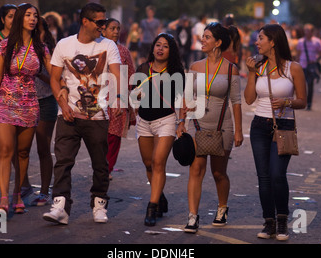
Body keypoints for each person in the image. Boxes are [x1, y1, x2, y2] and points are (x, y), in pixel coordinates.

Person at [42, 3, 123, 225]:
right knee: (63, 160)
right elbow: (54, 78)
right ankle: (60, 205)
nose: (103, 26)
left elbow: (117, 75)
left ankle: (99, 203)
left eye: (105, 22)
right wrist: (63, 103)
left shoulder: (108, 45)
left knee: (100, 163)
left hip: (98, 116)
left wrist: (118, 99)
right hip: (68, 114)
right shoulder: (64, 45)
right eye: (100, 22)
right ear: (85, 21)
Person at [0, 3, 51, 215]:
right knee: (5, 151)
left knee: (23, 152)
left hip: (30, 104)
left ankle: (17, 193)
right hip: (5, 102)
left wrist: (66, 89)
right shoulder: (5, 45)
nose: (32, 18)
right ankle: (4, 198)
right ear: (21, 18)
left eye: (35, 16)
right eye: (28, 15)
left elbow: (54, 76)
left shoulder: (41, 48)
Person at [177, 22, 243, 233]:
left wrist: (239, 130)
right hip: (197, 123)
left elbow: (236, 102)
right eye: (202, 37)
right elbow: (186, 97)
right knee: (196, 169)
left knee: (218, 172)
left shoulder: (231, 69)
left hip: (222, 125)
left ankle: (222, 208)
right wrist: (181, 123)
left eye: (206, 37)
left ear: (218, 42)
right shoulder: (195, 66)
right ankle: (192, 216)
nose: (202, 40)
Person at [244, 24, 306, 241]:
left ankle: (282, 220)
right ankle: (268, 222)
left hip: (283, 126)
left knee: (278, 175)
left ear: (273, 41)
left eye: (260, 38)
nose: (256, 42)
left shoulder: (293, 68)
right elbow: (249, 99)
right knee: (264, 177)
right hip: (259, 125)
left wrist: (287, 101)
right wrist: (252, 73)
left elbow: (302, 101)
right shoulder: (258, 67)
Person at [132, 32, 185, 226]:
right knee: (148, 164)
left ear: (171, 51)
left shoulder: (176, 72)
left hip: (166, 120)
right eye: (158, 45)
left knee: (158, 162)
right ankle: (160, 196)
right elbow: (135, 95)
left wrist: (182, 122)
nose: (160, 49)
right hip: (144, 121)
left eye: (165, 46)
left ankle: (152, 207)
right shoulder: (143, 69)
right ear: (152, 48)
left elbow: (182, 100)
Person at [22, 18, 58, 206]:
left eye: (40, 29)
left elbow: (54, 78)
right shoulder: (19, 47)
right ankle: (25, 184)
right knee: (19, 149)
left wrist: (36, 72)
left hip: (45, 102)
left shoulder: (49, 51)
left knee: (43, 148)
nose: (37, 33)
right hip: (22, 102)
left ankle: (44, 192)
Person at [103, 18, 136, 180]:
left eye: (118, 28)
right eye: (112, 28)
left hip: (118, 98)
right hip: (98, 98)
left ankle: (107, 168)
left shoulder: (123, 52)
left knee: (114, 137)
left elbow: (131, 75)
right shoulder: (97, 49)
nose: (116, 32)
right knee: (99, 136)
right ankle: (100, 166)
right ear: (103, 30)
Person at [296, 24, 321, 111]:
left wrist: (316, 59)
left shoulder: (317, 41)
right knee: (302, 85)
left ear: (312, 32)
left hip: (311, 66)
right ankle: (302, 102)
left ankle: (309, 103)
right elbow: (298, 54)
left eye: (308, 31)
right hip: (302, 66)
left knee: (310, 84)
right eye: (305, 31)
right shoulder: (300, 41)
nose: (306, 32)